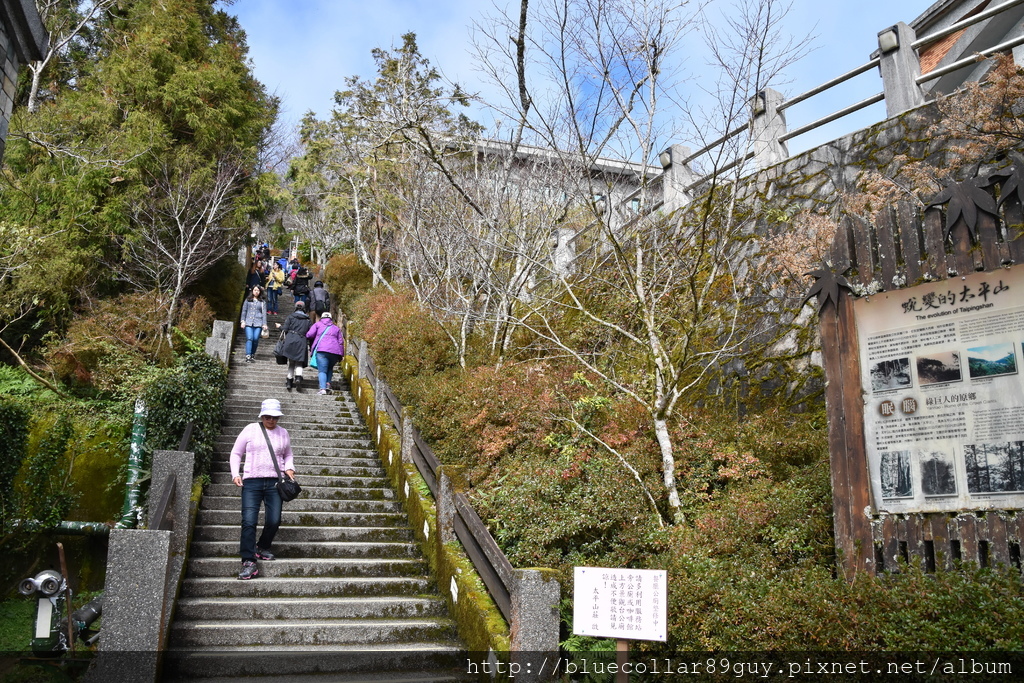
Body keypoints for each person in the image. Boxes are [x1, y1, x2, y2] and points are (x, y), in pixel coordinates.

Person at [230, 398, 296, 580]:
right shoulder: (250, 429)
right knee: (249, 521)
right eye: (268, 416)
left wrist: (290, 467)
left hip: (275, 482)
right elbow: (236, 453)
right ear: (262, 415)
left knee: (274, 520)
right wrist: (236, 473)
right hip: (252, 483)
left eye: (275, 417)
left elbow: (288, 454)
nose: (271, 420)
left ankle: (262, 546)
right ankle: (248, 561)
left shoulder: (283, 433)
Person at [306, 311, 344, 395]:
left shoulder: (317, 325)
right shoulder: (336, 328)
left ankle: (322, 389)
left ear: (322, 318)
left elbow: (309, 335)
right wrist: (341, 355)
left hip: (322, 350)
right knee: (330, 368)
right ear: (331, 319)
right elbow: (341, 342)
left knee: (322, 371)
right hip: (335, 352)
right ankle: (328, 384)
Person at [277, 300, 312, 390]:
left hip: (290, 339)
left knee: (291, 362)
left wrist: (279, 327)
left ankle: (289, 381)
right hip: (301, 341)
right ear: (304, 308)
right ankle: (298, 377)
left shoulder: (290, 317)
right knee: (299, 362)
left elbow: (285, 330)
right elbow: (311, 333)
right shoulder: (307, 320)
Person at [240, 285, 268, 363]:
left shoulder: (262, 302)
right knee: (249, 338)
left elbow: (264, 314)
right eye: (255, 290)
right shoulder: (248, 300)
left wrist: (264, 324)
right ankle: (248, 355)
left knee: (255, 339)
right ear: (252, 291)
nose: (256, 292)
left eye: (258, 290)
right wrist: (242, 321)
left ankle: (252, 353)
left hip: (258, 323)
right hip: (248, 322)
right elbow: (244, 311)